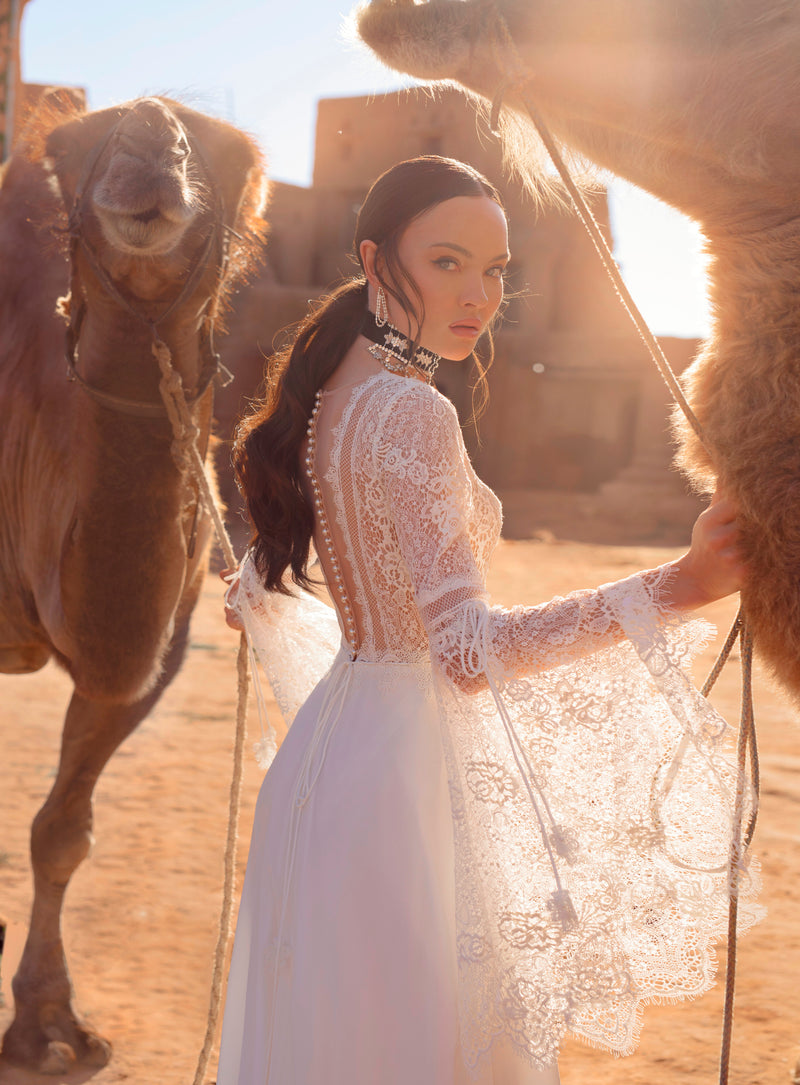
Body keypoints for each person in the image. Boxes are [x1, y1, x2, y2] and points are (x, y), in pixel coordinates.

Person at [215, 156, 760, 1085]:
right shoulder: (411, 410)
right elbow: (471, 653)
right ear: (376, 259)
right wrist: (683, 583)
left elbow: (293, 593)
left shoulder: (321, 412)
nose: (479, 294)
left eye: (497, 270)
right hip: (403, 792)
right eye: (449, 262)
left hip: (326, 766)